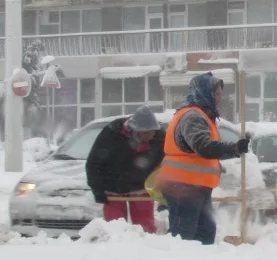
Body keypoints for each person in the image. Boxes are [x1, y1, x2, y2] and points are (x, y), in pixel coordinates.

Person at [156, 72, 250, 245]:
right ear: (204, 93)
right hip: (183, 187)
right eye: (217, 93)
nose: (220, 98)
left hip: (196, 187)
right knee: (184, 236)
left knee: (205, 233)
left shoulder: (203, 116)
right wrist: (234, 148)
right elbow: (204, 147)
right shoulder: (193, 117)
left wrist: (234, 149)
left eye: (221, 93)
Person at [85, 106, 165, 233]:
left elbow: (165, 164)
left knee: (145, 227)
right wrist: (97, 189)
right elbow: (94, 163)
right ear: (136, 130)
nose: (151, 136)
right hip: (113, 185)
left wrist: (163, 189)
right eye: (147, 133)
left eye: (153, 131)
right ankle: (116, 249)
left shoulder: (159, 137)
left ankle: (146, 248)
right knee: (114, 227)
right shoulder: (112, 133)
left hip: (141, 186)